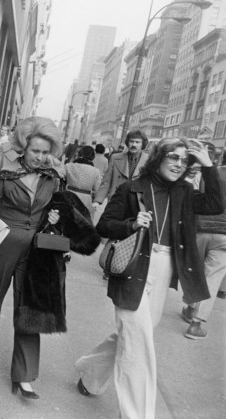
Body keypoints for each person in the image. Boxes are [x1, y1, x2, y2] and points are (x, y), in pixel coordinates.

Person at [74, 138, 223, 419]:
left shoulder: (185, 192)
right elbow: (105, 225)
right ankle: (136, 414)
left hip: (164, 267)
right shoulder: (132, 188)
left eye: (184, 160)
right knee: (139, 345)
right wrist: (131, 224)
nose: (179, 165)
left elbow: (215, 203)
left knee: (133, 336)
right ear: (158, 158)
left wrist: (208, 165)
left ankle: (90, 373)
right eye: (173, 158)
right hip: (132, 267)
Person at [0, 116, 65, 399]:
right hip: (2, 243)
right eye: (35, 150)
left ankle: (24, 375)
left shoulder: (54, 176)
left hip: (35, 248)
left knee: (29, 308)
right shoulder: (4, 170)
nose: (40, 157)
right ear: (24, 147)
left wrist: (55, 217)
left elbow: (60, 208)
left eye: (45, 152)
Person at [180, 147, 226, 340]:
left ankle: (191, 307)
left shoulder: (210, 172)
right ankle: (196, 323)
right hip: (224, 235)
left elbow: (193, 194)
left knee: (196, 270)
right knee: (213, 277)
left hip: (200, 227)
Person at [65, 145, 102, 219]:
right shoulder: (95, 171)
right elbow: (98, 189)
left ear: (80, 154)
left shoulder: (69, 166)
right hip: (86, 201)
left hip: (69, 197)